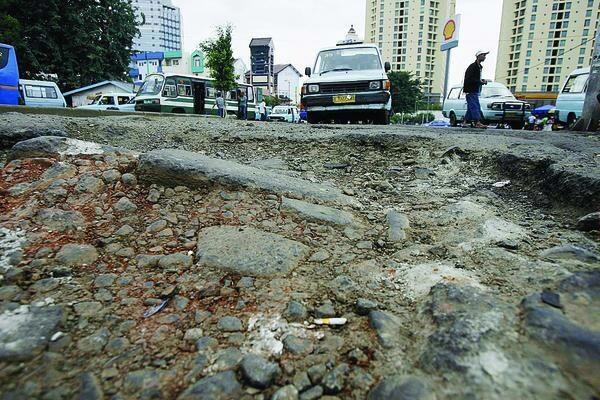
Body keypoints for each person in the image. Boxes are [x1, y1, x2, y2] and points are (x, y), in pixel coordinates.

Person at [462, 50, 489, 129]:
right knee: (475, 106)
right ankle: (477, 122)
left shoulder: (478, 67)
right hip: (470, 90)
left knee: (471, 107)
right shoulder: (473, 66)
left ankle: (464, 122)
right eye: (483, 55)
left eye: (485, 55)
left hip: (474, 90)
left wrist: (481, 81)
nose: (484, 57)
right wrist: (480, 82)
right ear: (478, 56)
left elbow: (475, 79)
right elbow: (469, 79)